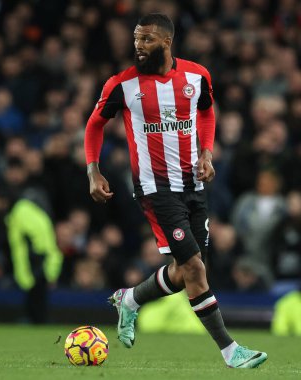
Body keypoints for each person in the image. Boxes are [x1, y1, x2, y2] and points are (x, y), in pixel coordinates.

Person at [84, 13, 267, 368]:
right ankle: (231, 352)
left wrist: (207, 153)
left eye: (147, 39)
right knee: (195, 268)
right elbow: (94, 126)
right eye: (137, 39)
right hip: (154, 187)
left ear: (167, 42)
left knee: (187, 272)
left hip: (193, 184)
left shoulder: (197, 76)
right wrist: (93, 171)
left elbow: (207, 114)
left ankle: (130, 299)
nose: (139, 46)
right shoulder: (121, 85)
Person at [0, 185, 63, 323]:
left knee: (37, 300)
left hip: (37, 264)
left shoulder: (21, 211)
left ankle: (37, 321)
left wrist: (41, 264)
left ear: (3, 200)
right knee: (35, 299)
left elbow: (38, 240)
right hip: (34, 265)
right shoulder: (17, 212)